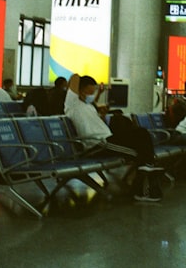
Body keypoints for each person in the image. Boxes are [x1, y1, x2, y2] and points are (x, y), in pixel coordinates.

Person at [64, 73, 164, 202]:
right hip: (97, 144)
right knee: (140, 155)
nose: (92, 95)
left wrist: (102, 115)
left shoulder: (88, 107)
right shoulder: (72, 103)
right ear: (81, 90)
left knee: (141, 133)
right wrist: (78, 92)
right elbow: (75, 77)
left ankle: (146, 173)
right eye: (90, 92)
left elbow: (95, 124)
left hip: (107, 139)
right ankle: (142, 188)